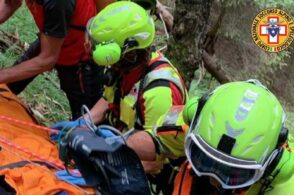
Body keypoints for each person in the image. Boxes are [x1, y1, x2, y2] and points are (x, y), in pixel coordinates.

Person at [51, 1, 187, 194]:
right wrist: (81, 123)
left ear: (128, 53)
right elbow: (108, 100)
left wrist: (100, 169)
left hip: (145, 178)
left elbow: (156, 160)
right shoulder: (127, 69)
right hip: (119, 149)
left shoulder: (159, 92)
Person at [132, 80, 294, 195]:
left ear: (271, 164)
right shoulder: (199, 124)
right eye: (205, 159)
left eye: (234, 173)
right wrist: (117, 147)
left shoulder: (285, 188)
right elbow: (155, 140)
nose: (214, 180)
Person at [0, 0, 115, 119]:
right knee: (7, 86)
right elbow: (10, 3)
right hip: (51, 38)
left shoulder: (59, 3)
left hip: (79, 57)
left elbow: (47, 60)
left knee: (88, 122)